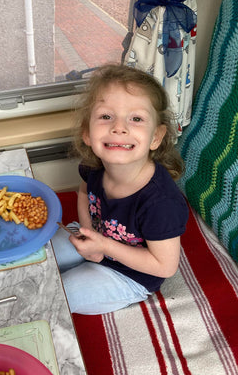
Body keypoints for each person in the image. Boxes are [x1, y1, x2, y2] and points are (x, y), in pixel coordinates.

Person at [52, 63, 189, 315]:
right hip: (97, 238)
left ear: (156, 138)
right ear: (87, 133)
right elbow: (84, 193)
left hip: (131, 274)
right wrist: (88, 232)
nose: (119, 127)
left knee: (58, 294)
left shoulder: (161, 202)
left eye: (136, 119)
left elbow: (165, 267)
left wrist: (103, 247)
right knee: (43, 259)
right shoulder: (94, 166)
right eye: (106, 116)